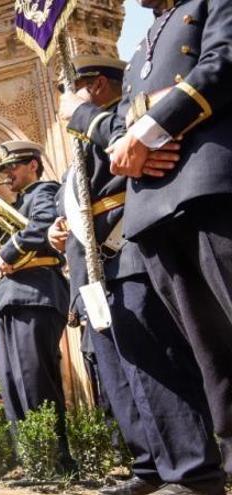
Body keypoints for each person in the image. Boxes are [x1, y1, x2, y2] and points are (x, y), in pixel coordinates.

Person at [56, 55, 226, 495]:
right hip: (93, 270)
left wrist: (89, 121)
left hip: (126, 252)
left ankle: (191, 468)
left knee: (157, 366)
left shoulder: (116, 124)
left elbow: (124, 173)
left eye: (72, 92)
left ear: (94, 87)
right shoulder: (79, 144)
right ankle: (150, 464)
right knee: (123, 375)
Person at [101, 0, 232, 482]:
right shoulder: (141, 45)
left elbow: (224, 62)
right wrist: (126, 146)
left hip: (208, 184)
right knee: (210, 355)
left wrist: (153, 128)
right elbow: (119, 120)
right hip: (152, 208)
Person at [0, 140, 74, 469]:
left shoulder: (44, 191)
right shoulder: (18, 203)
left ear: (33, 165)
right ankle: (32, 460)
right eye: (5, 169)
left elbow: (42, 228)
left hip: (36, 293)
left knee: (35, 378)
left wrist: (6, 253)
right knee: (11, 383)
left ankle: (55, 459)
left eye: (13, 167)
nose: (8, 174)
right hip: (8, 298)